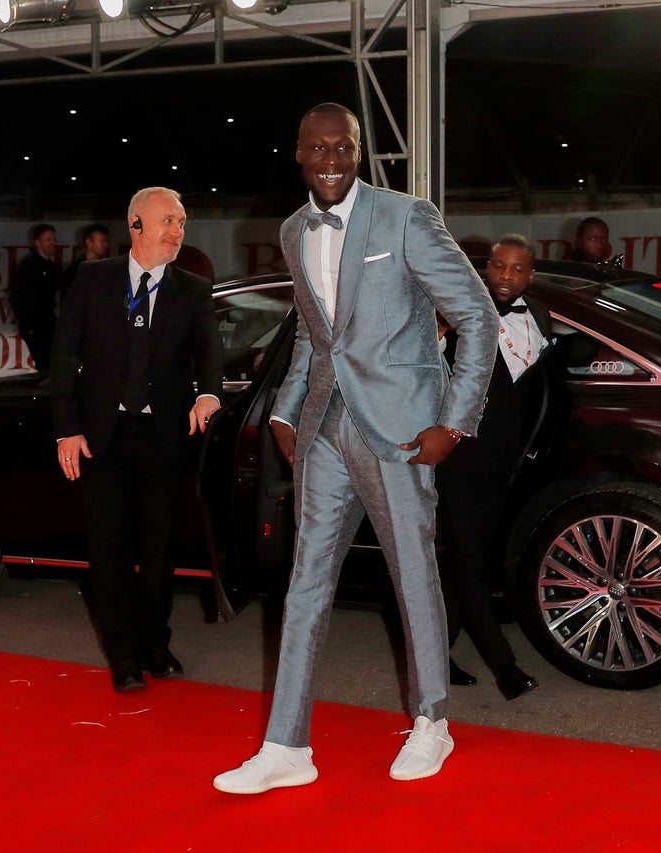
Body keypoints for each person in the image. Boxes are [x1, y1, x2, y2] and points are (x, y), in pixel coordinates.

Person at [214, 103, 498, 794]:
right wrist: (284, 409)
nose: (332, 158)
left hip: (400, 429)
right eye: (319, 148)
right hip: (323, 430)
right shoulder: (291, 230)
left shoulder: (405, 215)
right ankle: (287, 744)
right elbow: (317, 335)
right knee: (304, 582)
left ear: (361, 151)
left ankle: (433, 721)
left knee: (411, 573)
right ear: (300, 154)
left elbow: (477, 314)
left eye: (344, 147)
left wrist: (453, 422)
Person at [50, 188, 223, 693]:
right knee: (109, 550)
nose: (177, 231)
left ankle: (155, 643)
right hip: (100, 437)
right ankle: (123, 654)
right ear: (136, 225)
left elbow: (209, 355)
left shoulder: (192, 289)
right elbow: (64, 360)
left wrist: (209, 394)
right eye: (168, 221)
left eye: (183, 222)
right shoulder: (91, 279)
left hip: (163, 436)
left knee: (160, 546)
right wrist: (67, 428)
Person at [437, 234, 548, 701]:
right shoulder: (454, 315)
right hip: (456, 458)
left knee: (463, 562)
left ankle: (435, 658)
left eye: (516, 269)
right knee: (467, 560)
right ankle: (505, 667)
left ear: (530, 275)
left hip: (503, 464)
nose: (506, 276)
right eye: (498, 266)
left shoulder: (540, 318)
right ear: (486, 267)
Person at [10, 223, 59, 371]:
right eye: (48, 239)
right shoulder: (29, 266)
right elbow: (16, 296)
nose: (52, 243)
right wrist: (28, 326)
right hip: (36, 325)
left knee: (52, 362)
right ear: (38, 243)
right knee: (45, 362)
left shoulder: (51, 267)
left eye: (53, 239)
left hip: (49, 323)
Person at [58, 223, 111, 305]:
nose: (106, 245)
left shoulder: (108, 270)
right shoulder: (73, 272)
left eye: (107, 241)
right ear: (89, 243)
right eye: (102, 241)